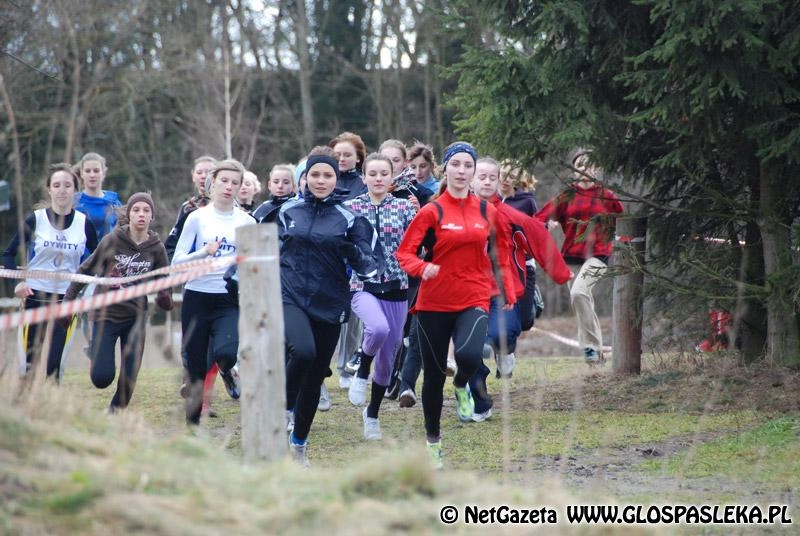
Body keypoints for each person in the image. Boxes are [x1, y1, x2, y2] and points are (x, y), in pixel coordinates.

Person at [396, 141, 516, 469]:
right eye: (456, 165)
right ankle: (433, 442)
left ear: (474, 171)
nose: (462, 171)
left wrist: (509, 287)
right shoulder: (431, 212)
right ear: (444, 170)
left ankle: (462, 384)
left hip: (473, 296)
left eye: (467, 166)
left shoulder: (485, 211)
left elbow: (501, 250)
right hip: (433, 301)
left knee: (468, 355)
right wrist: (423, 268)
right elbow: (404, 254)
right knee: (433, 377)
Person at [279, 149, 383, 466]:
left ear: (336, 179)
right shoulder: (287, 211)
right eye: (315, 175)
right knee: (303, 351)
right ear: (305, 179)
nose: (321, 180)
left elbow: (370, 264)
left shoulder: (349, 218)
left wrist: (355, 254)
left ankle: (299, 446)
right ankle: (282, 407)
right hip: (290, 295)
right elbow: (260, 247)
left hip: (330, 303)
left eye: (327, 175)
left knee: (313, 379)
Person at [468, 157, 572, 420]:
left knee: (501, 334)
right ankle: (479, 400)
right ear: (471, 179)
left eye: (493, 177)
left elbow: (538, 236)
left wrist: (561, 273)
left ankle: (505, 352)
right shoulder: (451, 212)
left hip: (505, 289)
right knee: (470, 347)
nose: (488, 181)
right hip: (467, 289)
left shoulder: (510, 215)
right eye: (482, 176)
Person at [63, 193, 173, 411]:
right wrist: (68, 302)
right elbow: (86, 269)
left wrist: (164, 297)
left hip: (136, 315)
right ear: (129, 214)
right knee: (101, 378)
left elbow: (165, 284)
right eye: (136, 210)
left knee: (130, 372)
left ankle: (116, 410)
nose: (141, 214)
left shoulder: (156, 247)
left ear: (152, 216)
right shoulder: (113, 240)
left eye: (146, 211)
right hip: (107, 314)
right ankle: (95, 349)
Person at [171, 159, 255, 424]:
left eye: (235, 182)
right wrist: (203, 253)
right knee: (195, 367)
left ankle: (228, 371)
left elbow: (252, 264)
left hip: (228, 299)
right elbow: (176, 262)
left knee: (227, 353)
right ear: (212, 183)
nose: (229, 187)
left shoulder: (247, 221)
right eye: (224, 181)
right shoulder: (196, 218)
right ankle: (193, 424)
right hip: (196, 296)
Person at [2, 164, 98, 380]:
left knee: (55, 368)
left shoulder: (84, 223)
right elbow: (7, 255)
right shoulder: (35, 220)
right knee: (28, 366)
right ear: (49, 189)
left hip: (67, 300)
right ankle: (26, 409)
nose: (62, 190)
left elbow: (99, 259)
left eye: (67, 185)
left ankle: (52, 410)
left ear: (75, 190)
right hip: (34, 297)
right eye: (56, 185)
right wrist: (17, 284)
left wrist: (87, 287)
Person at [343, 153, 416, 440]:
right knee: (377, 328)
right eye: (372, 173)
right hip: (363, 285)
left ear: (391, 178)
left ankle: (371, 413)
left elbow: (418, 241)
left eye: (383, 174)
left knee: (387, 359)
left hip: (397, 287)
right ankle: (361, 372)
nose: (377, 178)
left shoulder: (404, 209)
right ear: (364, 177)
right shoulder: (350, 208)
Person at [535, 150, 624, 364]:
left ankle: (590, 348)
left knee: (579, 293)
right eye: (581, 166)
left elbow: (623, 221)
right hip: (571, 257)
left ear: (599, 169)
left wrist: (621, 242)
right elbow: (538, 219)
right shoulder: (567, 196)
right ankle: (597, 352)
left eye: (591, 165)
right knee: (583, 299)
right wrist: (549, 224)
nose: (586, 170)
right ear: (574, 171)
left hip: (599, 254)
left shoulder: (607, 196)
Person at [329, 132, 368, 391]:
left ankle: (346, 367)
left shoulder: (363, 185)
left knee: (354, 315)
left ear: (358, 159)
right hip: (328, 255)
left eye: (347, 155)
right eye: (337, 155)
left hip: (352, 256)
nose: (341, 159)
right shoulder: (323, 179)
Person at [74, 152, 122, 241]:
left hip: (108, 254)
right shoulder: (73, 202)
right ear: (81, 173)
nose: (92, 175)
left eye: (96, 171)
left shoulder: (114, 203)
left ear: (103, 173)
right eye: (88, 171)